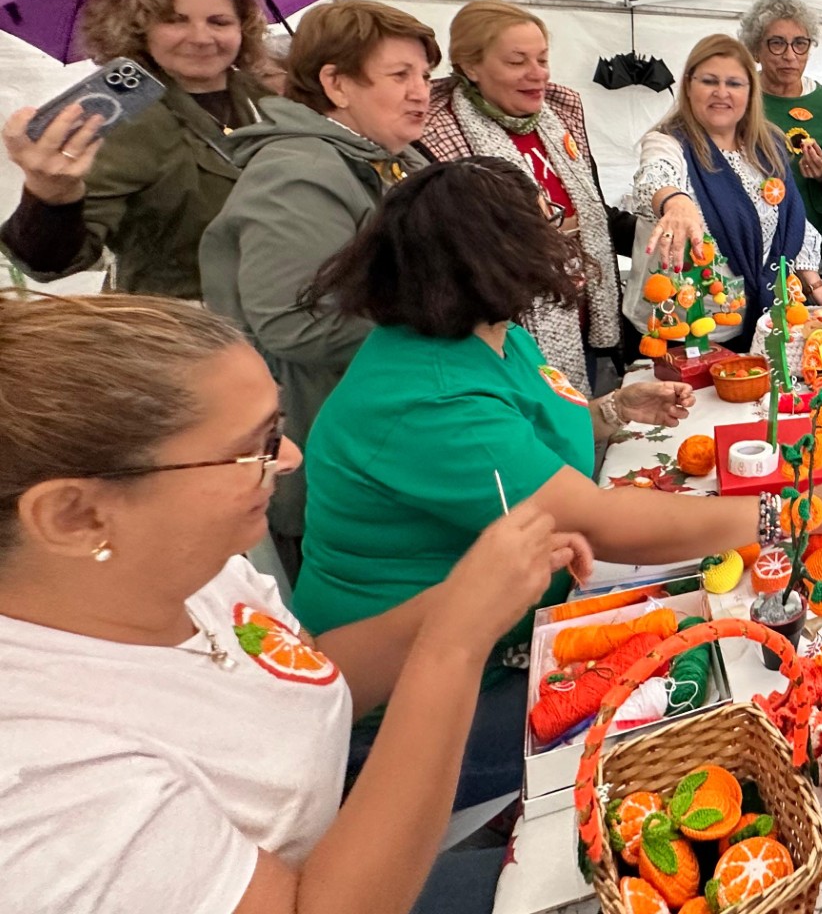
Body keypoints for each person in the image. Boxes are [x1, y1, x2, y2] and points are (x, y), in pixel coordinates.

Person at [294, 159, 822, 801]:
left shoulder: (488, 333)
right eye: (544, 223)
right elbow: (598, 522)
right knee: (721, 725)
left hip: (519, 621)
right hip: (440, 692)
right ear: (494, 256)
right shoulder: (428, 401)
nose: (561, 233)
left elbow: (534, 431)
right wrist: (787, 513)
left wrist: (610, 413)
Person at [0, 290, 590, 914]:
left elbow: (303, 673)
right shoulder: (45, 773)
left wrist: (467, 594)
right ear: (75, 515)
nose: (288, 458)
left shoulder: (194, 572)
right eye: (254, 445)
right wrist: (455, 643)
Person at [199, 0, 438, 579]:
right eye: (399, 75)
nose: (421, 92)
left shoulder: (384, 159)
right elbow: (294, 321)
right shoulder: (298, 170)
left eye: (426, 76)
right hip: (325, 442)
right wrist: (443, 323)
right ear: (336, 83)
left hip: (373, 431)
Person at [1, 0, 267, 297]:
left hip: (281, 320)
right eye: (175, 21)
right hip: (182, 330)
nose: (202, 38)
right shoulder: (129, 120)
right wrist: (50, 195)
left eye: (219, 22)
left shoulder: (264, 99)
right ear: (138, 28)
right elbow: (52, 262)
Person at [417, 0, 632, 392]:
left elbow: (593, 211)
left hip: (583, 316)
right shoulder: (437, 134)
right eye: (517, 62)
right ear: (470, 66)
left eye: (543, 59)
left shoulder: (559, 116)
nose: (538, 75)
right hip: (506, 335)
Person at [626, 34, 822, 348]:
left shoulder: (767, 147)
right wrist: (675, 202)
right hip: (679, 335)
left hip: (757, 325)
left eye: (734, 83)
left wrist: (817, 288)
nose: (722, 93)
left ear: (751, 91)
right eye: (710, 81)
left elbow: (791, 223)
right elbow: (653, 177)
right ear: (689, 85)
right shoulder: (668, 143)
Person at [741, 0, 822, 292]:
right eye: (777, 43)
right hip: (746, 252)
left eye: (800, 43)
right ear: (755, 50)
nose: (790, 55)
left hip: (813, 261)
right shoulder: (739, 99)